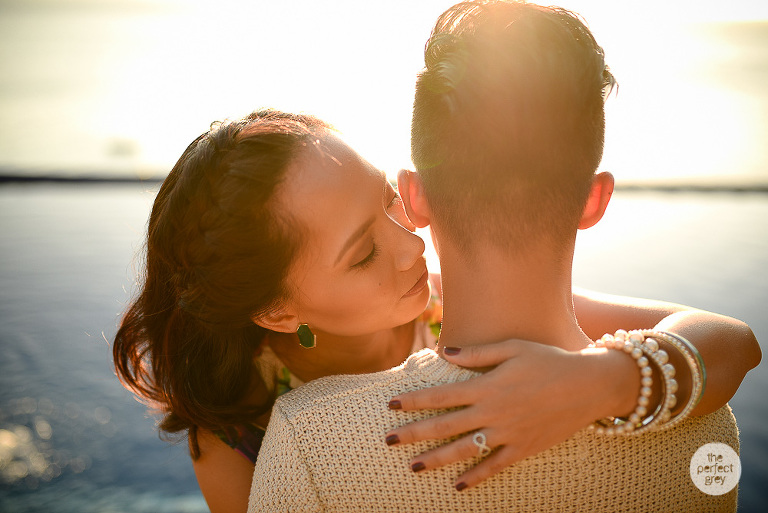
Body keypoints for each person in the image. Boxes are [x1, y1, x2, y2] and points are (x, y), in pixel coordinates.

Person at [111, 46, 759, 513]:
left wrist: (602, 379)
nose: (410, 241)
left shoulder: (443, 300)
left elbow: (734, 342)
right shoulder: (234, 438)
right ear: (278, 311)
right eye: (363, 253)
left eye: (390, 200)